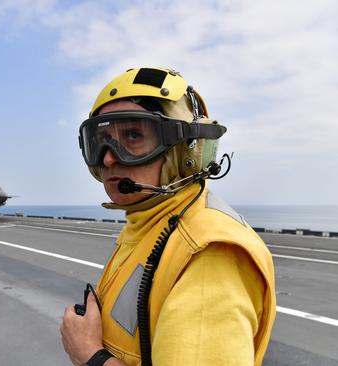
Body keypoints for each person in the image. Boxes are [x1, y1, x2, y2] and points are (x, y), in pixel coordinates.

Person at [60, 67, 276, 366]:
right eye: (101, 139)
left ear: (186, 151)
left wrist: (89, 355)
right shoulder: (148, 225)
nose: (108, 157)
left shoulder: (208, 254)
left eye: (133, 135)